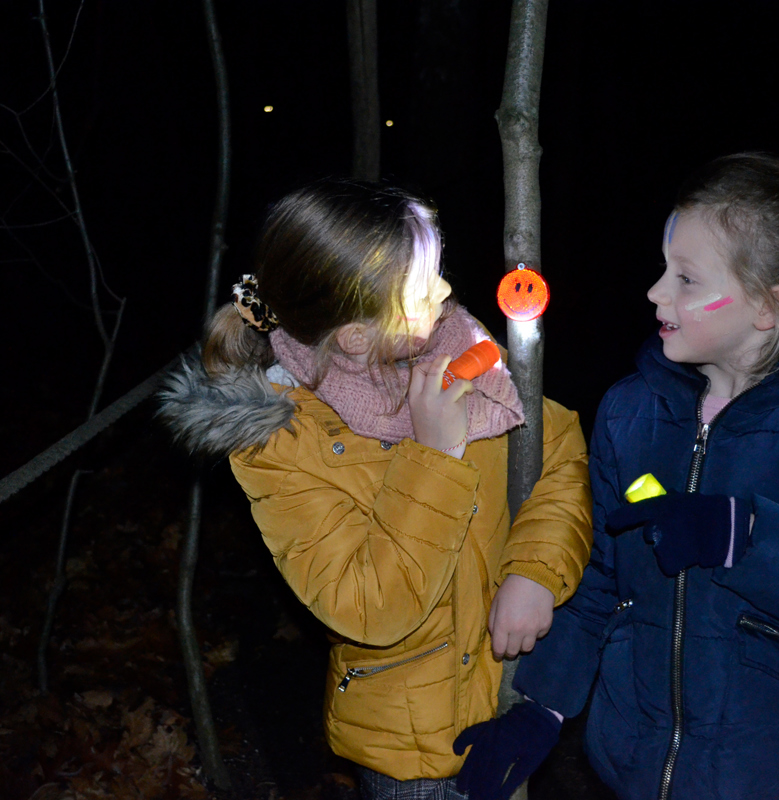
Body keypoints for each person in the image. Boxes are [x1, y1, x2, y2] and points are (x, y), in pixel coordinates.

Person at [159, 178, 592, 798]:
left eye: (438, 271)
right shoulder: (283, 443)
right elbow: (368, 604)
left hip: (514, 687)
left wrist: (534, 571)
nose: (446, 292)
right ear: (357, 336)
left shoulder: (458, 350)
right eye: (422, 289)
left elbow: (557, 452)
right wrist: (434, 453)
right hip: (412, 747)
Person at [453, 152, 779, 800]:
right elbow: (602, 580)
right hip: (634, 769)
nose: (656, 293)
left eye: (688, 279)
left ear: (767, 306)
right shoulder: (632, 412)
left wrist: (747, 537)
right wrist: (544, 705)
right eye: (665, 268)